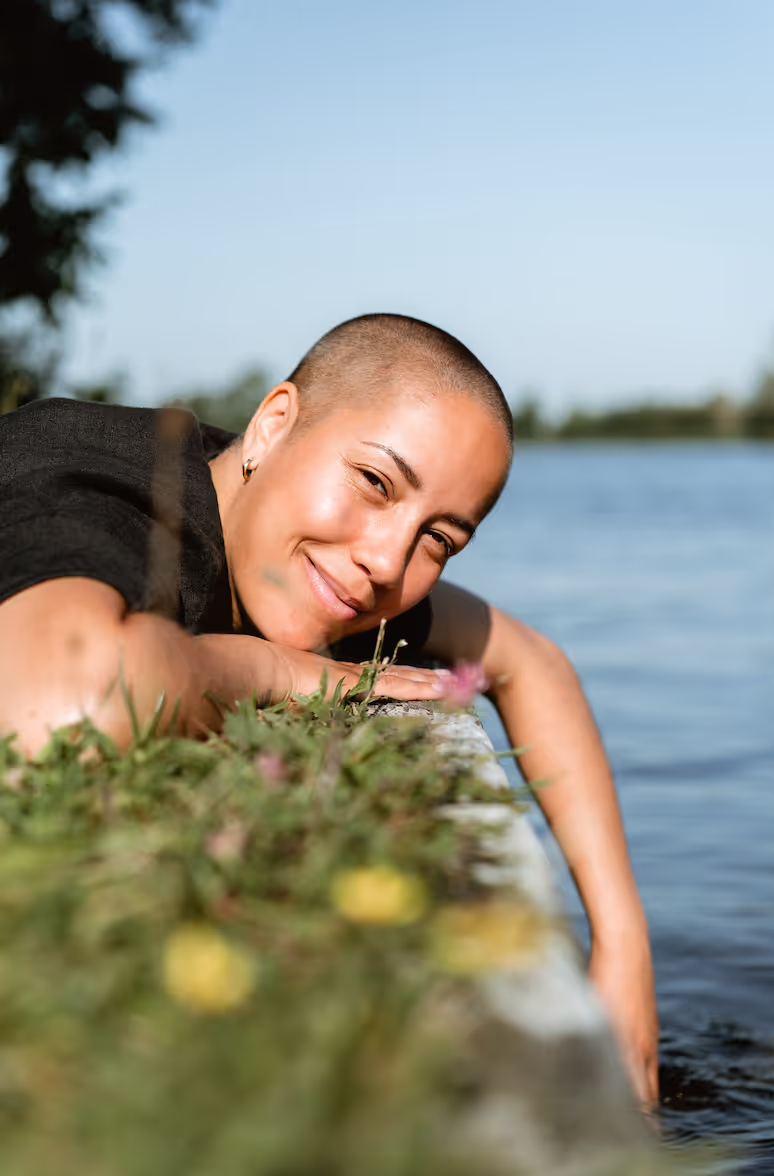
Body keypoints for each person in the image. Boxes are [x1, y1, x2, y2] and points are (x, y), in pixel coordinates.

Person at [0, 313, 658, 1105]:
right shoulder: (96, 497)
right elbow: (65, 711)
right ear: (273, 426)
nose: (387, 561)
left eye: (439, 539)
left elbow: (532, 663)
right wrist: (278, 671)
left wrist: (621, 952)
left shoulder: (295, 538)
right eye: (376, 482)